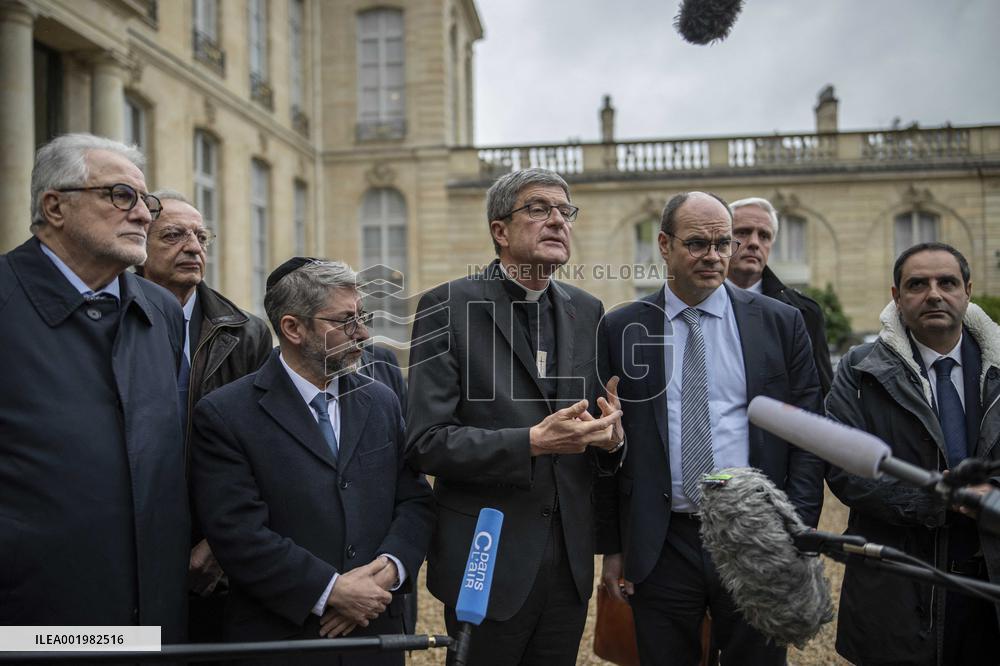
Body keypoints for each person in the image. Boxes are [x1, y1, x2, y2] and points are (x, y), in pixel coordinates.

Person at [406, 168, 624, 665]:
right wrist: (530, 441)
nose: (557, 221)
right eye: (538, 209)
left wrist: (611, 441)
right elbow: (425, 442)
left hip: (569, 565)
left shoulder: (587, 310)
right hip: (487, 558)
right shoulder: (447, 305)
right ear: (500, 231)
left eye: (564, 211)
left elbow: (589, 432)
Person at [597, 191, 825, 665]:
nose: (715, 256)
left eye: (723, 243)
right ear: (663, 244)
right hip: (662, 543)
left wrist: (795, 529)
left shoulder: (780, 323)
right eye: (698, 243)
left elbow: (808, 433)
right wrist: (613, 547)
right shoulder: (621, 328)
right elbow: (606, 451)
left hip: (755, 535)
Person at [191, 258, 434, 666]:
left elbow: (414, 501)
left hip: (374, 634)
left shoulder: (381, 400)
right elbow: (237, 532)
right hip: (283, 639)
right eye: (346, 321)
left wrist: (388, 572)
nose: (364, 333)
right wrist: (329, 591)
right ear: (293, 328)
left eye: (363, 317)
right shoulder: (225, 414)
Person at [0, 133, 188, 639]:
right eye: (120, 196)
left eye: (145, 201)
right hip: (32, 623)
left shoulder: (163, 311)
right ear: (55, 207)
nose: (146, 215)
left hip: (154, 616)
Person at [825, 242, 999, 665]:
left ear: (968, 290)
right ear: (896, 296)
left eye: (947, 282)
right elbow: (843, 467)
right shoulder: (860, 370)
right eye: (917, 284)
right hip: (899, 586)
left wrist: (989, 495)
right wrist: (938, 501)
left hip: (989, 577)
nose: (934, 294)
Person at [141, 189, 272, 642]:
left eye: (201, 236)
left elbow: (265, 449)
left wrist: (222, 542)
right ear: (139, 240)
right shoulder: (108, 319)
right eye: (173, 235)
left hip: (213, 545)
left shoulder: (245, 332)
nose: (193, 247)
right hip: (127, 539)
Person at [726, 196, 834, 394]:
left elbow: (821, 393)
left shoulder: (804, 312)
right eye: (742, 232)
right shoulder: (695, 301)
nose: (754, 243)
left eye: (764, 236)